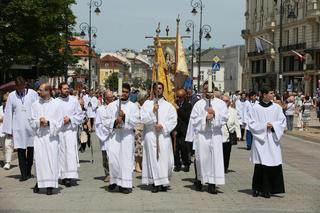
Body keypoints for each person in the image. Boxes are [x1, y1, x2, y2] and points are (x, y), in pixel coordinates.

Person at [187, 81, 228, 194]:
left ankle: (212, 184)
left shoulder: (220, 103)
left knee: (214, 159)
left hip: (215, 135)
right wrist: (205, 117)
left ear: (214, 90)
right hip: (202, 135)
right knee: (202, 159)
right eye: (205, 89)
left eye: (209, 89)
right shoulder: (198, 104)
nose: (207, 91)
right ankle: (200, 180)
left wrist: (215, 114)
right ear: (203, 90)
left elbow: (225, 118)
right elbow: (194, 120)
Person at [248, 86, 286, 198]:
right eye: (271, 93)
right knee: (260, 165)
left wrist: (273, 125)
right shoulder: (255, 108)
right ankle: (256, 188)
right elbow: (251, 123)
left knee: (272, 164)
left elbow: (282, 122)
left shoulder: (277, 108)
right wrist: (264, 126)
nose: (273, 95)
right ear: (264, 95)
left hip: (272, 140)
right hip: (260, 140)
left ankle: (268, 189)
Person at [102, 83, 139, 194]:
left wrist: (125, 117)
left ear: (129, 93)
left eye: (126, 92)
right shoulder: (111, 105)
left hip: (127, 136)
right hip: (115, 136)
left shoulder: (133, 106)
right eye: (122, 91)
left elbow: (136, 121)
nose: (124, 93)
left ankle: (125, 184)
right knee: (113, 160)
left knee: (126, 160)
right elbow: (105, 121)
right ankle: (114, 181)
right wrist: (114, 121)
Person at [141, 82, 177, 193]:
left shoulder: (168, 105)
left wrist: (163, 126)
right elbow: (142, 119)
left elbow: (173, 120)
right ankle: (156, 183)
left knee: (164, 159)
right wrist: (153, 111)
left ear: (163, 90)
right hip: (151, 135)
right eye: (156, 88)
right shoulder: (147, 104)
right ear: (153, 90)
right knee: (153, 159)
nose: (159, 90)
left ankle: (164, 182)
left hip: (163, 136)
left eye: (161, 88)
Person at [2, 76, 38, 181]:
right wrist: (9, 129)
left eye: (23, 86)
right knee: (21, 150)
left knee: (31, 149)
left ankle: (28, 170)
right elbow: (8, 112)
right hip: (18, 126)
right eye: (19, 87)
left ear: (25, 84)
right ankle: (23, 174)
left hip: (31, 126)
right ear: (16, 87)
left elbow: (37, 108)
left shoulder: (32, 93)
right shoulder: (12, 96)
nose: (21, 89)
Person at [30, 83, 63, 195]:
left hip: (51, 138)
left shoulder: (57, 104)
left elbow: (60, 123)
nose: (39, 92)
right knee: (39, 161)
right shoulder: (35, 105)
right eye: (39, 90)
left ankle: (50, 185)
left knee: (50, 161)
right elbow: (31, 121)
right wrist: (39, 122)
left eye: (41, 90)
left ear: (48, 91)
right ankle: (39, 182)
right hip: (39, 138)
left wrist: (48, 122)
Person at [57, 83, 85, 187]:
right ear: (60, 90)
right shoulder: (55, 102)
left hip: (70, 132)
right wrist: (61, 121)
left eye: (67, 88)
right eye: (64, 89)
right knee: (61, 155)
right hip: (59, 132)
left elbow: (80, 115)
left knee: (70, 154)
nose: (66, 90)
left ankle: (69, 177)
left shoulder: (74, 100)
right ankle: (62, 176)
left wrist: (70, 119)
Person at [95, 90, 114, 182]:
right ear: (105, 98)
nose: (111, 99)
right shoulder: (100, 110)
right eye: (109, 97)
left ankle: (116, 174)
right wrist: (107, 132)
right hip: (105, 136)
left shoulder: (117, 108)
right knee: (105, 156)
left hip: (115, 136)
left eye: (112, 97)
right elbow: (98, 125)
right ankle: (107, 173)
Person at [173, 89, 192, 172]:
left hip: (184, 130)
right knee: (176, 149)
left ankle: (186, 164)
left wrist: (179, 109)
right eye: (177, 97)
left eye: (180, 97)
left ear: (184, 97)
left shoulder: (188, 105)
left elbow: (187, 117)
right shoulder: (174, 104)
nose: (178, 99)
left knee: (184, 148)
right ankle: (177, 164)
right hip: (176, 130)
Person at [221, 95, 241, 173]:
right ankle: (220, 166)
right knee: (220, 153)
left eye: (226, 101)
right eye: (223, 100)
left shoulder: (233, 111)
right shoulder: (218, 110)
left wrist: (238, 135)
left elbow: (237, 124)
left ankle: (225, 167)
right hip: (220, 135)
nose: (225, 102)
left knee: (227, 152)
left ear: (229, 102)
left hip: (229, 135)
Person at [134, 91, 148, 173]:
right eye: (145, 98)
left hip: (143, 128)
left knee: (141, 148)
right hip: (137, 128)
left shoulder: (144, 106)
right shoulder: (136, 106)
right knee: (138, 148)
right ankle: (137, 165)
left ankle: (140, 164)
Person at [0, 93, 14, 170]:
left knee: (8, 145)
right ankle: (5, 160)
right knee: (3, 147)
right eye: (4, 100)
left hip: (9, 130)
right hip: (1, 130)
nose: (5, 102)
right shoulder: (0, 109)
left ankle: (8, 162)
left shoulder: (12, 110)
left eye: (7, 100)